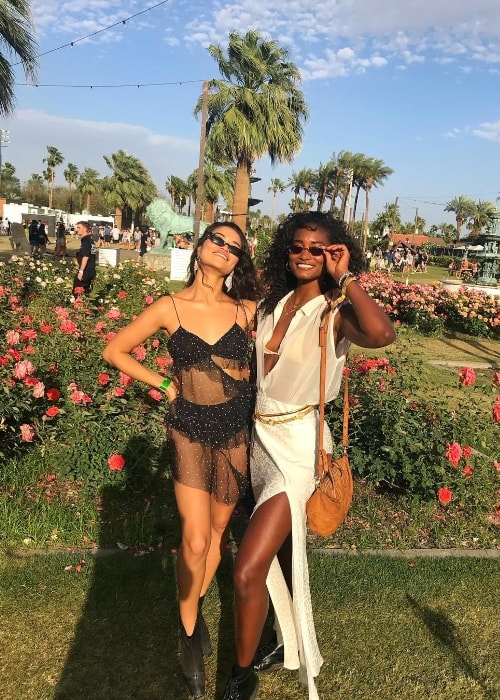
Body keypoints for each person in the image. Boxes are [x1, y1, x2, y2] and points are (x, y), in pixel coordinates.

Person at [221, 212, 395, 700]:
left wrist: (347, 279)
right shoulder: (273, 305)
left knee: (247, 568)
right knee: (280, 549)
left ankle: (241, 674)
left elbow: (382, 335)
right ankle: (284, 640)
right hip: (261, 441)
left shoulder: (334, 311)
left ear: (334, 253)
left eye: (318, 249)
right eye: (297, 246)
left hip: (300, 448)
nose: (304, 255)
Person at [102, 222, 260, 698]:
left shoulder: (248, 311)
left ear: (238, 261)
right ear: (200, 245)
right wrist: (164, 384)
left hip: (235, 432)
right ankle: (189, 629)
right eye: (219, 240)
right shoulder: (169, 307)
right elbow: (115, 350)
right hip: (188, 430)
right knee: (193, 540)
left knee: (216, 531)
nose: (226, 250)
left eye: (235, 248)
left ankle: (188, 609)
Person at [72, 221, 97, 296]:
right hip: (91, 270)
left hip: (86, 270)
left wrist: (81, 271)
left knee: (77, 292)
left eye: (79, 228)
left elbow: (86, 257)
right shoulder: (90, 240)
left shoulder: (86, 240)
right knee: (85, 292)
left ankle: (79, 306)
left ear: (85, 229)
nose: (77, 229)